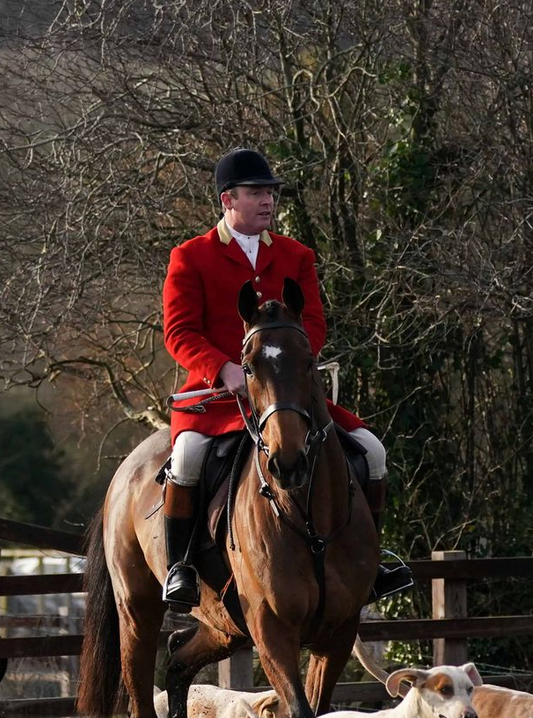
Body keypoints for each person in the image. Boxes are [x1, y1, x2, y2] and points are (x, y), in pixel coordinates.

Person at [161, 147, 413, 611]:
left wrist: (292, 365)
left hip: (289, 395)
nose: (267, 201)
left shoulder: (297, 255)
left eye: (271, 194)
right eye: (256, 193)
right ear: (227, 200)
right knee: (187, 456)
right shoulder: (191, 257)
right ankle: (182, 567)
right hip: (220, 397)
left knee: (373, 452)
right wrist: (223, 368)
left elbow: (313, 321)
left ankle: (371, 563)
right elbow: (178, 332)